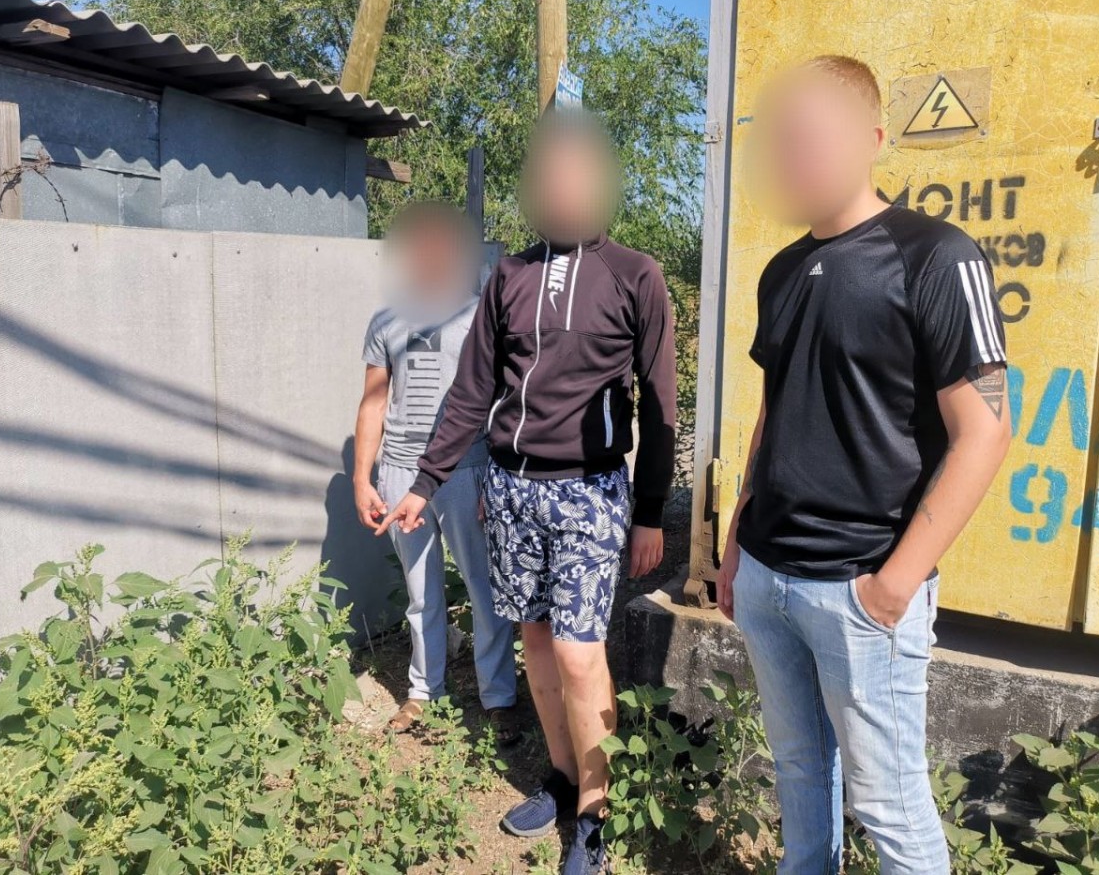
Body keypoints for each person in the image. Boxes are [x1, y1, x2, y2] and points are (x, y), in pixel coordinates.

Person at [716, 56, 1011, 875]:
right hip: (769, 575)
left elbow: (986, 431)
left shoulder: (937, 256)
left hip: (860, 588)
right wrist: (736, 542)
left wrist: (894, 585)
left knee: (891, 807)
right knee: (799, 772)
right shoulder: (781, 271)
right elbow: (774, 413)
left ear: (874, 139)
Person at [377, 112, 676, 875]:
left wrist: (650, 512)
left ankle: (596, 816)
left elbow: (660, 406)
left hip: (589, 493)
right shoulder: (509, 276)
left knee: (579, 652)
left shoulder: (635, 275)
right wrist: (426, 482)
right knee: (536, 639)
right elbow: (472, 391)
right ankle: (564, 775)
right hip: (511, 491)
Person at [355, 201, 519, 742]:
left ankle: (498, 696)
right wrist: (362, 477)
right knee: (421, 592)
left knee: (483, 588)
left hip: (467, 469)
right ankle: (424, 692)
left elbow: (503, 403)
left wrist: (495, 477)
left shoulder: (479, 317)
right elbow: (373, 403)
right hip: (400, 473)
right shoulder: (385, 320)